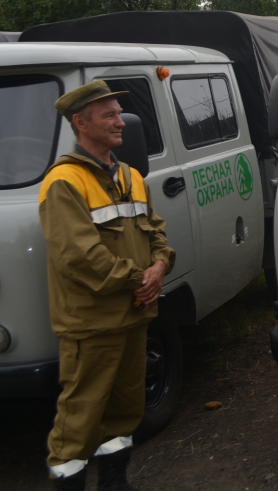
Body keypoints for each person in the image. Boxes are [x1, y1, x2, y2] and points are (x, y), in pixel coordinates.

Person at [38, 80, 175, 490]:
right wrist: (141, 280)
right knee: (80, 417)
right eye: (110, 115)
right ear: (81, 123)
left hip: (133, 315)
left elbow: (155, 231)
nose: (122, 122)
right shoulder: (63, 181)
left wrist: (160, 264)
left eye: (119, 113)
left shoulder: (131, 175)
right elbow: (79, 257)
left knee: (124, 410)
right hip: (92, 323)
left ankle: (115, 484)